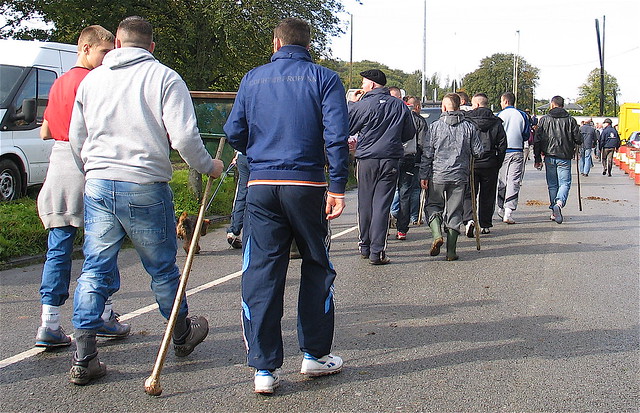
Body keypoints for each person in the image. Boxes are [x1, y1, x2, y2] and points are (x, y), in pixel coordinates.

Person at [68, 16, 223, 385]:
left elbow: (77, 137)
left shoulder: (92, 80)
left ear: (117, 44)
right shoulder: (164, 78)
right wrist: (209, 165)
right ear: (151, 46)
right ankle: (181, 334)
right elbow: (184, 138)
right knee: (162, 268)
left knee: (95, 266)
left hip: (100, 183)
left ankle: (84, 356)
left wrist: (91, 169)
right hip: (144, 184)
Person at [223, 17, 349, 394]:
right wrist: (338, 186)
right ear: (308, 45)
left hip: (261, 185)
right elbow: (336, 136)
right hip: (307, 184)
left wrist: (260, 150)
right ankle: (314, 354)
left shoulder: (252, 78)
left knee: (261, 271)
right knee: (315, 264)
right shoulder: (325, 78)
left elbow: (234, 133)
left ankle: (264, 368)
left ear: (276, 43)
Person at [35, 25, 131, 348]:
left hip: (58, 165)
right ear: (86, 49)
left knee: (59, 245)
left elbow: (45, 132)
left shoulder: (59, 82)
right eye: (104, 53)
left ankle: (49, 322)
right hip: (89, 164)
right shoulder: (94, 81)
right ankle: (102, 313)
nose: (107, 59)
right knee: (101, 246)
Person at [348, 69, 415, 264]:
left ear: (373, 84)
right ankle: (378, 251)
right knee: (382, 205)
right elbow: (409, 132)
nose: (362, 86)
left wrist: (353, 103)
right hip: (390, 159)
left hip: (367, 159)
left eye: (364, 82)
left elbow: (348, 126)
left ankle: (365, 246)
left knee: (365, 203)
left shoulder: (363, 104)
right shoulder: (400, 106)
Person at [420, 93, 483, 261]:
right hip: (459, 176)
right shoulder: (469, 127)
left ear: (445, 107)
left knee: (433, 205)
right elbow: (479, 151)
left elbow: (427, 154)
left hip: (438, 175)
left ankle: (437, 234)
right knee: (455, 211)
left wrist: (423, 175)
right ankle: (451, 251)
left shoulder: (434, 127)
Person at [463, 93, 507, 235]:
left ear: (475, 104)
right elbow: (502, 145)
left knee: (469, 193)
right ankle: (485, 224)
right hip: (490, 162)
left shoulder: (467, 120)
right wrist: (498, 162)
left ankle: (469, 219)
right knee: (487, 195)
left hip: (471, 162)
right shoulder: (496, 122)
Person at [533, 95, 581, 224]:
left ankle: (554, 210)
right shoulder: (571, 120)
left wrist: (537, 157)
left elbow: (537, 140)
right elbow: (578, 139)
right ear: (562, 105)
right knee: (565, 183)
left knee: (552, 185)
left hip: (549, 156)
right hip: (564, 156)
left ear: (552, 105)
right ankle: (559, 204)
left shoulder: (544, 120)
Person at [496, 92, 530, 224]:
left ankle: (500, 207)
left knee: (502, 180)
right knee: (514, 180)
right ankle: (509, 210)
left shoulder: (500, 115)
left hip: (503, 151)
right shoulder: (522, 115)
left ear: (505, 101)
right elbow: (526, 134)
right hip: (517, 151)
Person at [226, 151, 248, 249]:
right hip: (263, 155)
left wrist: (237, 154)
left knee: (242, 193)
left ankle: (233, 232)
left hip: (243, 155)